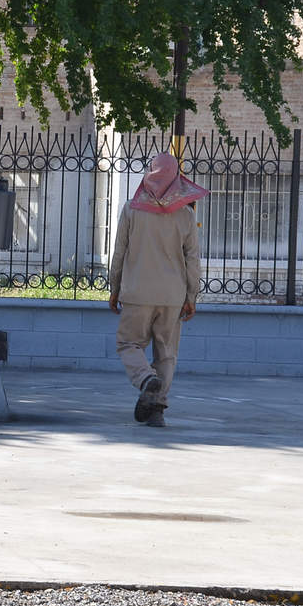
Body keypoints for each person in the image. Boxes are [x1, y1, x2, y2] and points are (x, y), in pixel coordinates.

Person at [108, 152, 206, 427]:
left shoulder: (131, 209)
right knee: (166, 353)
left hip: (137, 292)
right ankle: (157, 410)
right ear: (176, 177)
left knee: (128, 343)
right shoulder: (186, 214)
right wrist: (192, 296)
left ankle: (145, 379)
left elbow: (119, 253)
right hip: (173, 296)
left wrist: (114, 288)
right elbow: (192, 259)